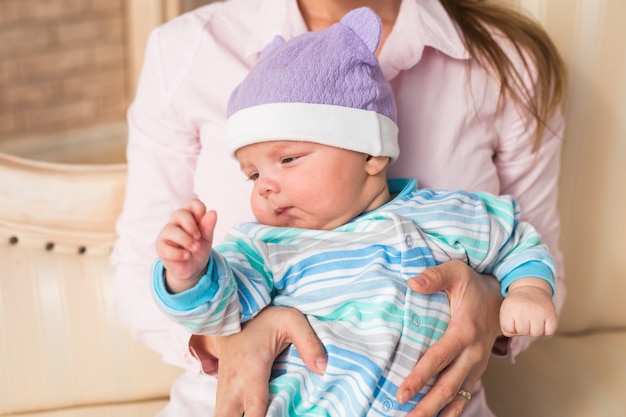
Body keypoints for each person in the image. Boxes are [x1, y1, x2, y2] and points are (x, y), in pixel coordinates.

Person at [111, 0, 567, 416]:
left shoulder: (503, 73)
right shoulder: (265, 245)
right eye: (251, 176)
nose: (266, 187)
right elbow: (155, 282)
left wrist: (501, 302)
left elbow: (529, 250)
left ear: (373, 155)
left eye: (288, 160)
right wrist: (206, 300)